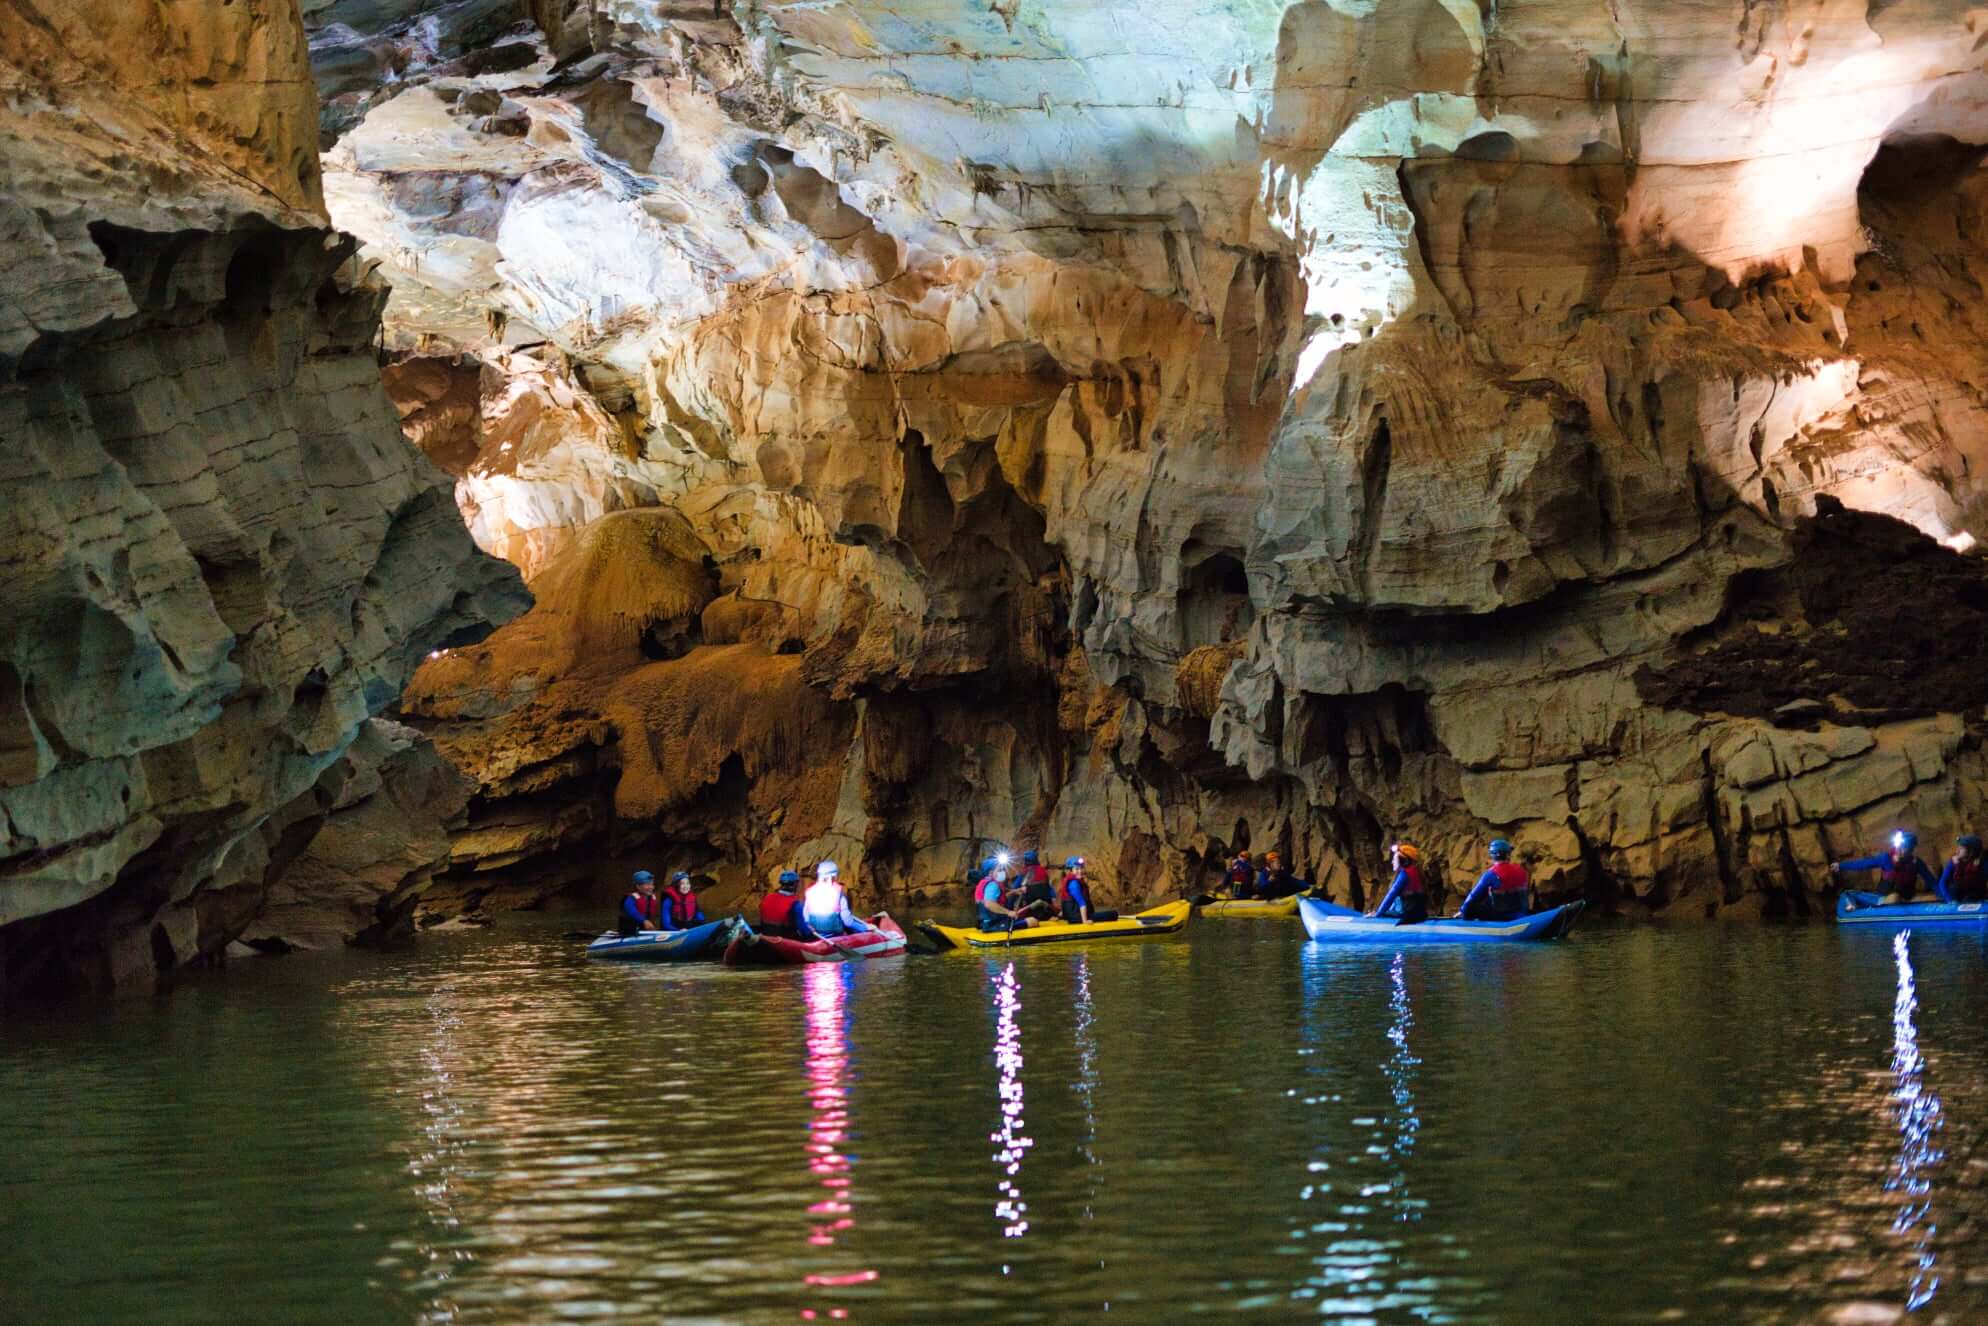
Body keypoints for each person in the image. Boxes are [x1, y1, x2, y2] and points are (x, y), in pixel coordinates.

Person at [1831, 830, 1938, 904]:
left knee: (1934, 898)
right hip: (1885, 897)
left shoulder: (1916, 862)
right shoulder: (1886, 858)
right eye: (1902, 847)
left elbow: (1932, 882)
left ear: (1911, 849)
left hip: (1907, 899)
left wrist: (1947, 900)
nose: (1903, 851)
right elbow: (1864, 863)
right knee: (1895, 898)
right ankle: (1864, 899)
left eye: (1908, 848)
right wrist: (1841, 865)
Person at [1459, 839, 1531, 920]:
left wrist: (1463, 911)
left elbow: (1472, 897)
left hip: (1501, 917)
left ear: (1493, 855)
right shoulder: (1521, 870)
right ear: (1508, 855)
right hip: (1522, 914)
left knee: (1472, 906)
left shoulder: (1490, 874)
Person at [802, 860, 873, 937]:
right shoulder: (839, 893)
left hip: (816, 933)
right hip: (835, 933)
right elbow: (847, 922)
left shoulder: (810, 892)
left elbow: (806, 917)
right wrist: (865, 928)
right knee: (849, 926)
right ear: (833, 876)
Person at [1368, 843, 1428, 924]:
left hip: (1408, 914)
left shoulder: (1404, 874)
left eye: (1395, 859)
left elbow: (1391, 895)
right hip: (1422, 914)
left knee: (1379, 912)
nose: (1393, 862)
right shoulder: (1418, 871)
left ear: (1403, 860)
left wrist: (1378, 914)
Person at [975, 856, 1032, 931]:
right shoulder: (993, 885)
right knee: (1032, 921)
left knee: (1028, 919)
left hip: (986, 923)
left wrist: (1015, 891)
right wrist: (1008, 912)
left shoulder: (984, 882)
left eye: (1003, 870)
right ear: (991, 873)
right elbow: (989, 904)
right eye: (1000, 870)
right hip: (994, 924)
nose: (1003, 872)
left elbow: (998, 898)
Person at [1058, 857, 1119, 924]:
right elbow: (1082, 903)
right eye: (1077, 869)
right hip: (1077, 918)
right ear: (1071, 871)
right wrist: (1085, 921)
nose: (1080, 871)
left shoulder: (1072, 882)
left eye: (1081, 868)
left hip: (1074, 916)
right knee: (1114, 914)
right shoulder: (1074, 884)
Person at [759, 869, 815, 938]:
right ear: (795, 884)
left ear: (780, 883)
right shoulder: (796, 905)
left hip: (766, 939)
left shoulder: (767, 898)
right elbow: (805, 932)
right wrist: (811, 929)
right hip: (784, 942)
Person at [1938, 835, 1987, 903]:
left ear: (1971, 851)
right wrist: (1949, 899)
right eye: (1958, 847)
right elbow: (1942, 882)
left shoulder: (1981, 862)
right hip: (1957, 897)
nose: (1957, 850)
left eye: (1961, 848)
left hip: (1976, 896)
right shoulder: (1954, 862)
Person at [1017, 850, 1058, 921]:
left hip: (1030, 909)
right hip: (1046, 907)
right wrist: (1054, 899)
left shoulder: (1024, 872)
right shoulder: (1043, 871)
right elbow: (1050, 888)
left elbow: (1015, 887)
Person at [619, 870, 663, 935]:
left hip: (645, 930)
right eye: (647, 884)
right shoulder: (630, 899)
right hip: (630, 931)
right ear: (638, 886)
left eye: (652, 884)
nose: (651, 887)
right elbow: (633, 912)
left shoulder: (652, 898)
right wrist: (644, 921)